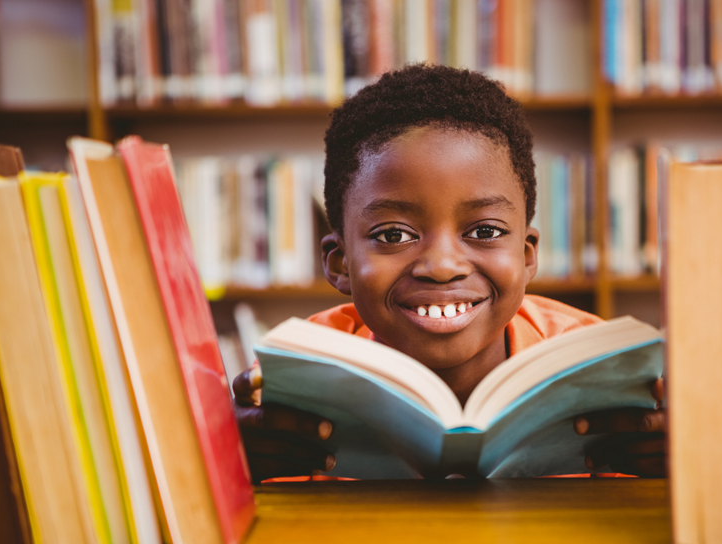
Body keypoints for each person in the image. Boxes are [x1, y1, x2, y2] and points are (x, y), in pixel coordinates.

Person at [233, 64, 665, 482]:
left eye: (484, 231)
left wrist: (677, 459)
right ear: (339, 264)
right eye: (392, 236)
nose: (441, 267)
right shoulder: (300, 377)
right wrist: (229, 461)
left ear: (528, 255)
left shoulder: (596, 369)